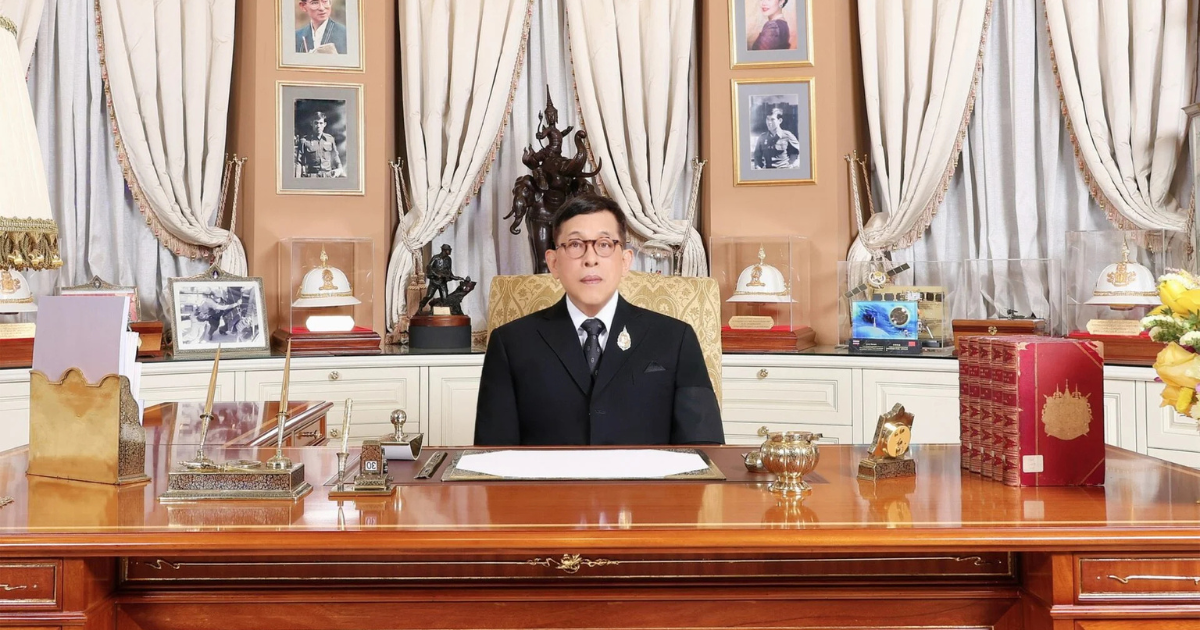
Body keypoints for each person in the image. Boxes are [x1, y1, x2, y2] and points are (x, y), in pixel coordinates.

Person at [474, 194, 724, 446]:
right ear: (553, 263)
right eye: (575, 244)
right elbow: (492, 456)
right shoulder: (511, 343)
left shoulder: (675, 339)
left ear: (625, 261)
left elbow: (704, 447)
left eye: (604, 244)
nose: (590, 259)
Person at [295, 112, 344, 178]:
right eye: (316, 123)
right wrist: (297, 179)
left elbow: (335, 155)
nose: (318, 126)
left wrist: (340, 169)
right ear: (311, 123)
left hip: (328, 176)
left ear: (324, 124)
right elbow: (299, 162)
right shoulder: (304, 141)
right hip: (312, 176)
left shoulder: (330, 139)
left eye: (321, 123)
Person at [752, 104, 801, 169]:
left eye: (772, 119)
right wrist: (758, 168)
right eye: (767, 119)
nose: (769, 122)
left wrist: (792, 165)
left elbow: (799, 151)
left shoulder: (787, 135)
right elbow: (757, 156)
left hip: (784, 170)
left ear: (779, 121)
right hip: (768, 171)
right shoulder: (762, 137)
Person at [418, 244, 464, 312]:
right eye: (448, 250)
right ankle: (421, 306)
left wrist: (457, 278)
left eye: (450, 250)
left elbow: (449, 272)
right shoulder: (435, 258)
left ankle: (441, 311)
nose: (450, 251)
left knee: (445, 299)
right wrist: (436, 275)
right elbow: (429, 268)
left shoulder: (449, 259)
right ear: (444, 250)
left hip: (443, 283)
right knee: (429, 296)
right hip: (434, 282)